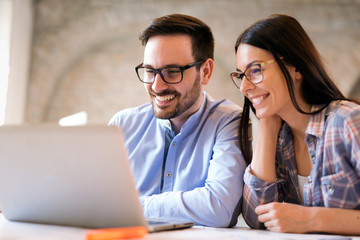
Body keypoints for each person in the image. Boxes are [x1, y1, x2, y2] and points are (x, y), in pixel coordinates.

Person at [109, 14, 248, 227]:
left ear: (206, 71)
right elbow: (95, 202)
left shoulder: (228, 122)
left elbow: (219, 207)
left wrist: (129, 207)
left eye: (172, 72)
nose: (157, 86)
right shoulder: (122, 125)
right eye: (150, 71)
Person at [230, 14, 360, 234]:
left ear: (296, 67)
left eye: (255, 70)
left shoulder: (348, 121)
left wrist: (313, 219)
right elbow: (257, 218)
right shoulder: (279, 140)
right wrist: (267, 128)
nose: (244, 87)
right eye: (241, 75)